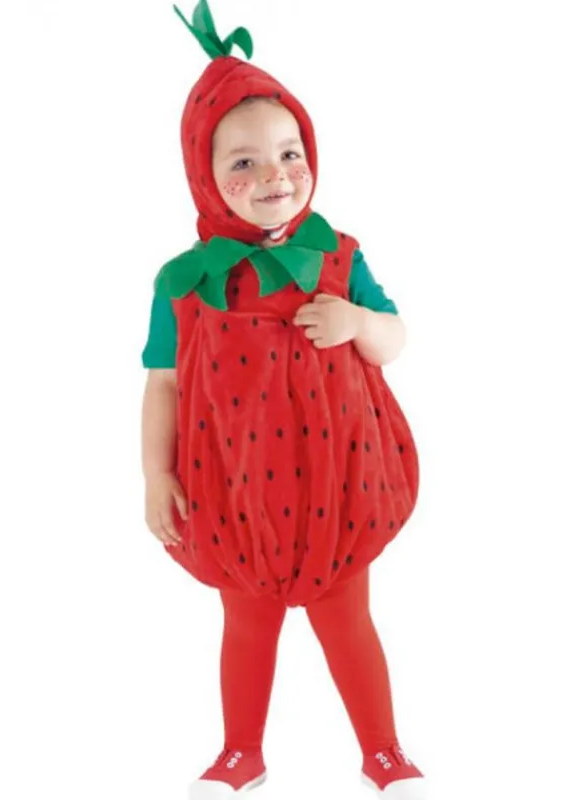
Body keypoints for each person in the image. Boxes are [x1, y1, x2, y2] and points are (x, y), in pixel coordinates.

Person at [141, 3, 427, 797]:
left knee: (349, 623)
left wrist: (357, 322)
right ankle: (242, 753)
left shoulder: (338, 257)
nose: (274, 175)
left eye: (289, 153)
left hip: (338, 482)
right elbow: (163, 382)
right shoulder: (185, 283)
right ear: (203, 174)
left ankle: (383, 752)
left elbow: (396, 339)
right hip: (235, 490)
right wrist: (156, 474)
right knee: (246, 626)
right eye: (244, 161)